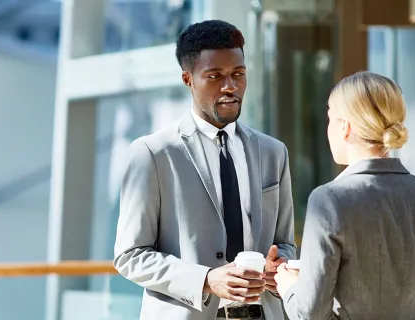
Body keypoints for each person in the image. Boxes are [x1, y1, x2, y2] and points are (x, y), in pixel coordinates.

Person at [114, 19, 296, 320]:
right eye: (215, 76)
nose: (230, 86)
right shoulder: (152, 153)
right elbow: (130, 256)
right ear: (188, 79)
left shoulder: (273, 152)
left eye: (238, 74)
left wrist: (279, 268)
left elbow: (286, 243)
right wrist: (207, 280)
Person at [275, 71, 415, 319]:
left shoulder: (328, 200)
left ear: (345, 127)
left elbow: (309, 313)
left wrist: (288, 287)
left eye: (330, 119)